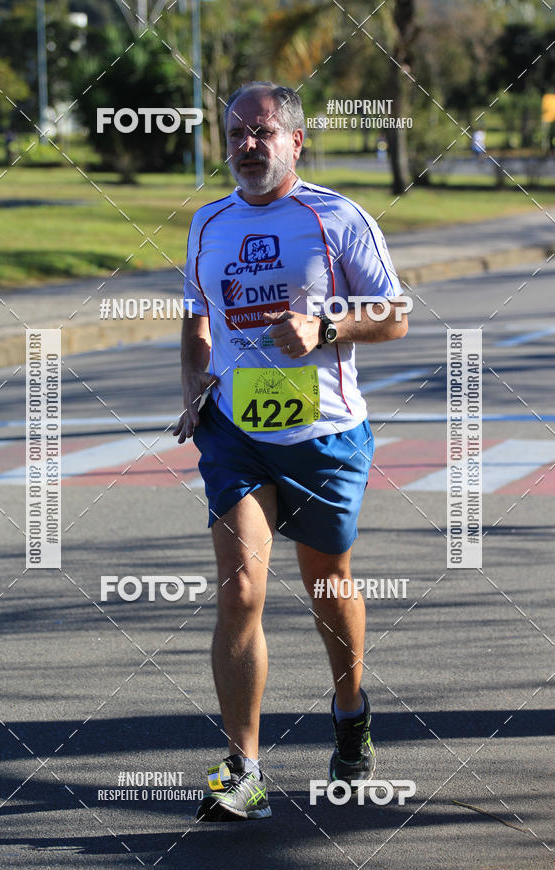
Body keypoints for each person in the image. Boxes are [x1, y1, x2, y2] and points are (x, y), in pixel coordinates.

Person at [174, 81, 408, 822]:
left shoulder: (337, 217)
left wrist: (326, 328)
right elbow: (194, 321)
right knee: (240, 588)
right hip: (235, 433)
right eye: (236, 132)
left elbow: (395, 314)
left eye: (263, 131)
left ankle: (349, 707)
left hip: (324, 434)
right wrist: (192, 387)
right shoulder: (208, 223)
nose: (247, 144)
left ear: (295, 141)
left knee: (327, 585)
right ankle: (243, 769)